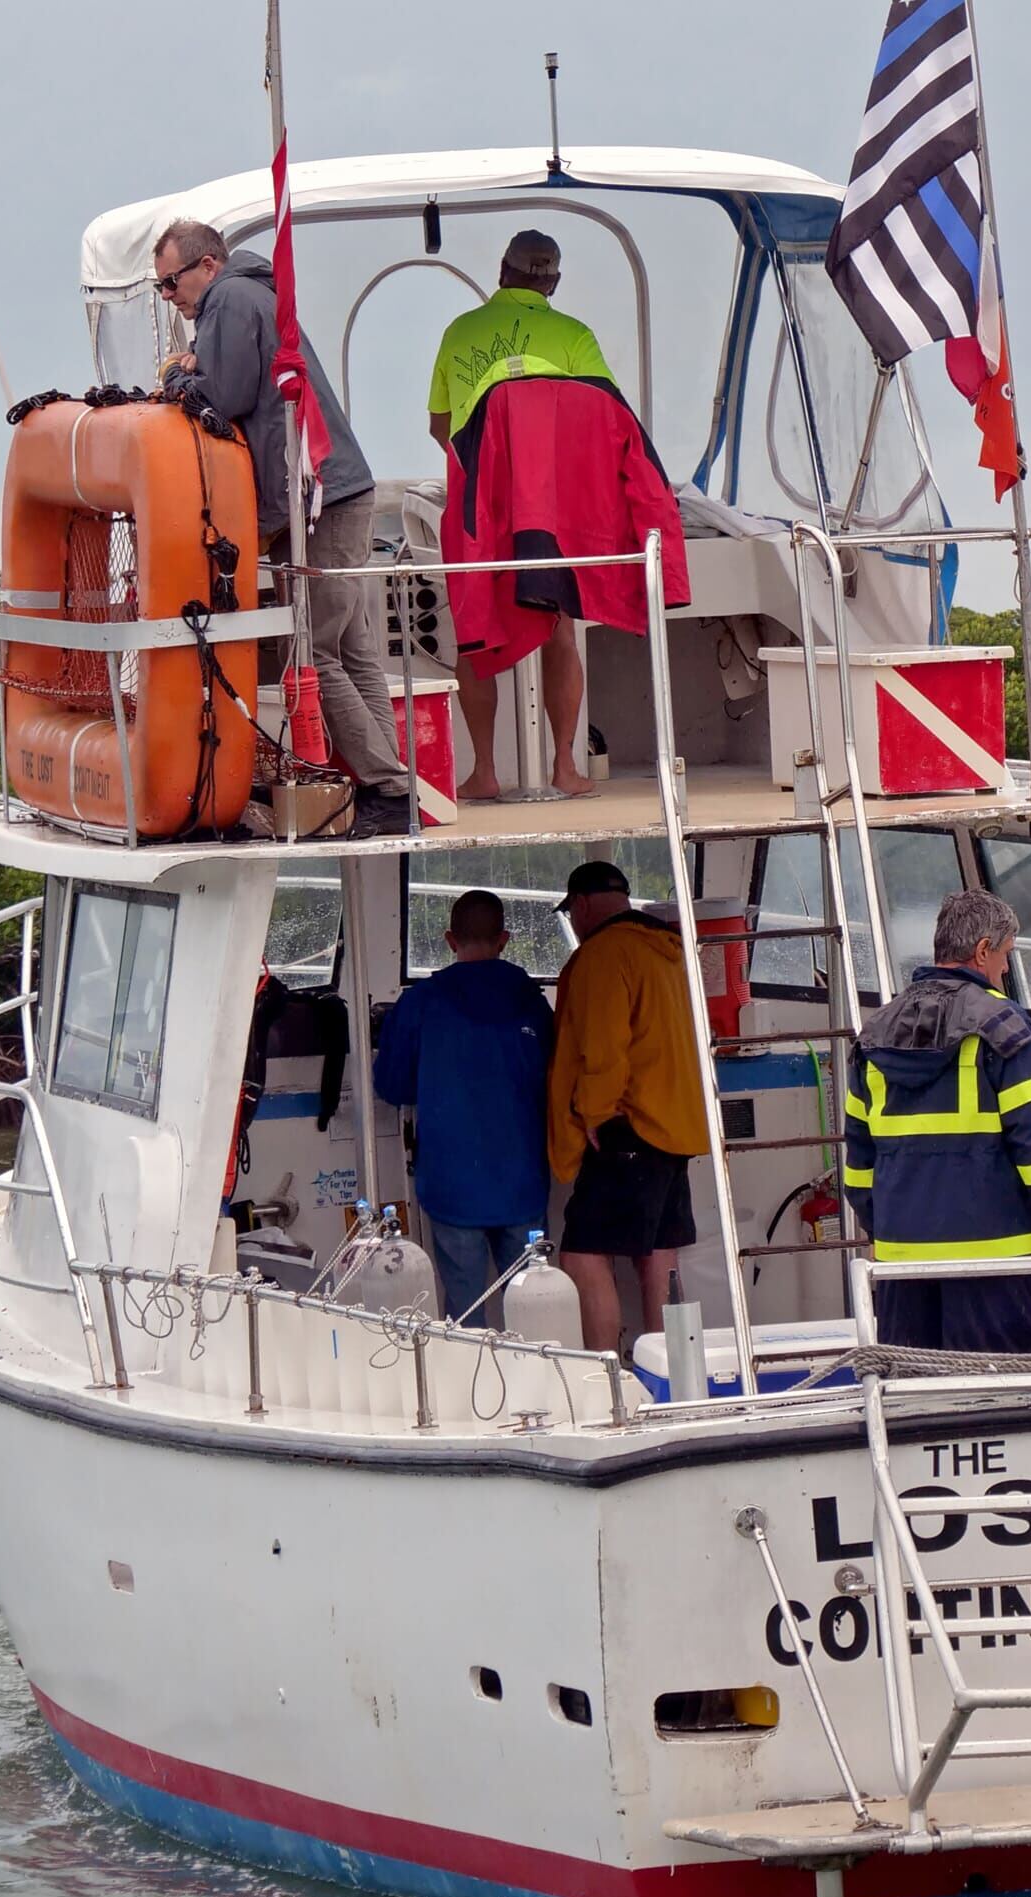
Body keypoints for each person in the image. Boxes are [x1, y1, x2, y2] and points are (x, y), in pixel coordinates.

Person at [153, 217, 415, 836]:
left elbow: (224, 394)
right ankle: (392, 785)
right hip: (343, 489)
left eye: (171, 282)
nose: (170, 296)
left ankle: (386, 787)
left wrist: (175, 376)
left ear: (207, 266)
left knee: (316, 651)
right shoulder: (256, 294)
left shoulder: (230, 300)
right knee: (352, 648)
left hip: (317, 501)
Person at [842, 890, 1031, 1354]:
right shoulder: (1007, 1029)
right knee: (1002, 1402)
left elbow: (858, 1168)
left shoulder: (873, 1037)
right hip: (997, 1265)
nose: (1004, 972)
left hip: (904, 1271)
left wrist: (892, 1230)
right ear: (982, 951)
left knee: (914, 1409)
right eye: (1005, 957)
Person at [428, 231, 617, 801]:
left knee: (474, 633)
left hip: (475, 501)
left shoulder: (460, 332)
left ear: (502, 271)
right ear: (553, 283)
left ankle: (484, 770)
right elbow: (602, 420)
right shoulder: (574, 336)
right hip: (550, 506)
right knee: (560, 628)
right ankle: (563, 764)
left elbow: (441, 426)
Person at [545, 859, 708, 1353]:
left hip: (626, 1127)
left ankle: (606, 1374)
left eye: (571, 913)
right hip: (676, 1126)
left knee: (583, 1255)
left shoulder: (602, 955)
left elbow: (603, 1044)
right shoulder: (672, 952)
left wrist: (595, 1114)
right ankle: (673, 1373)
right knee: (659, 1254)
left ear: (582, 904)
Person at [372, 890, 557, 1322]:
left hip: (452, 1182)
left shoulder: (420, 1003)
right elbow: (555, 1075)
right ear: (505, 939)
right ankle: (533, 1383)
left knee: (465, 1308)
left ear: (450, 940)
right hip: (523, 1179)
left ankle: (470, 1384)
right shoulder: (532, 1002)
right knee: (532, 1307)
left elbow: (392, 1085)